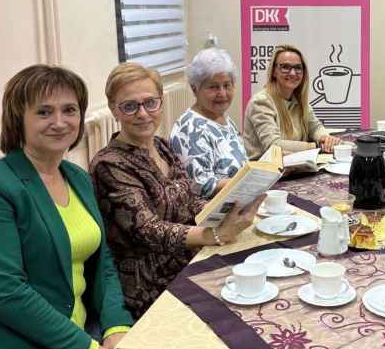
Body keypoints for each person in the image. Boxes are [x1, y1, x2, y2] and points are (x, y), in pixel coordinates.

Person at [0, 65, 133, 349]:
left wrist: (116, 328)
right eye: (43, 111)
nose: (60, 121)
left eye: (69, 110)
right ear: (16, 118)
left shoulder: (78, 178)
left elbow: (105, 266)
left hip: (81, 327)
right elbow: (5, 292)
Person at [90, 63, 262, 319]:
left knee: (260, 276)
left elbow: (191, 203)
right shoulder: (109, 164)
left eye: (150, 103)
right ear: (114, 109)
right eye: (130, 106)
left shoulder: (162, 148)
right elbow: (148, 230)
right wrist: (213, 234)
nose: (142, 113)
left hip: (190, 261)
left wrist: (231, 206)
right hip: (153, 283)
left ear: (161, 102)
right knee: (245, 309)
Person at [170, 48, 246, 197]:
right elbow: (202, 186)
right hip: (212, 212)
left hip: (239, 199)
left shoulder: (222, 118)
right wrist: (250, 181)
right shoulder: (190, 129)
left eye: (227, 85)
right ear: (194, 89)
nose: (222, 93)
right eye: (213, 87)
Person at [244, 44, 341, 159]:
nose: (293, 73)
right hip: (266, 172)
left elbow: (315, 127)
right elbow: (273, 145)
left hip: (294, 165)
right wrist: (314, 146)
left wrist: (325, 138)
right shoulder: (261, 102)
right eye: (285, 67)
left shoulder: (299, 101)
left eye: (298, 68)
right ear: (274, 71)